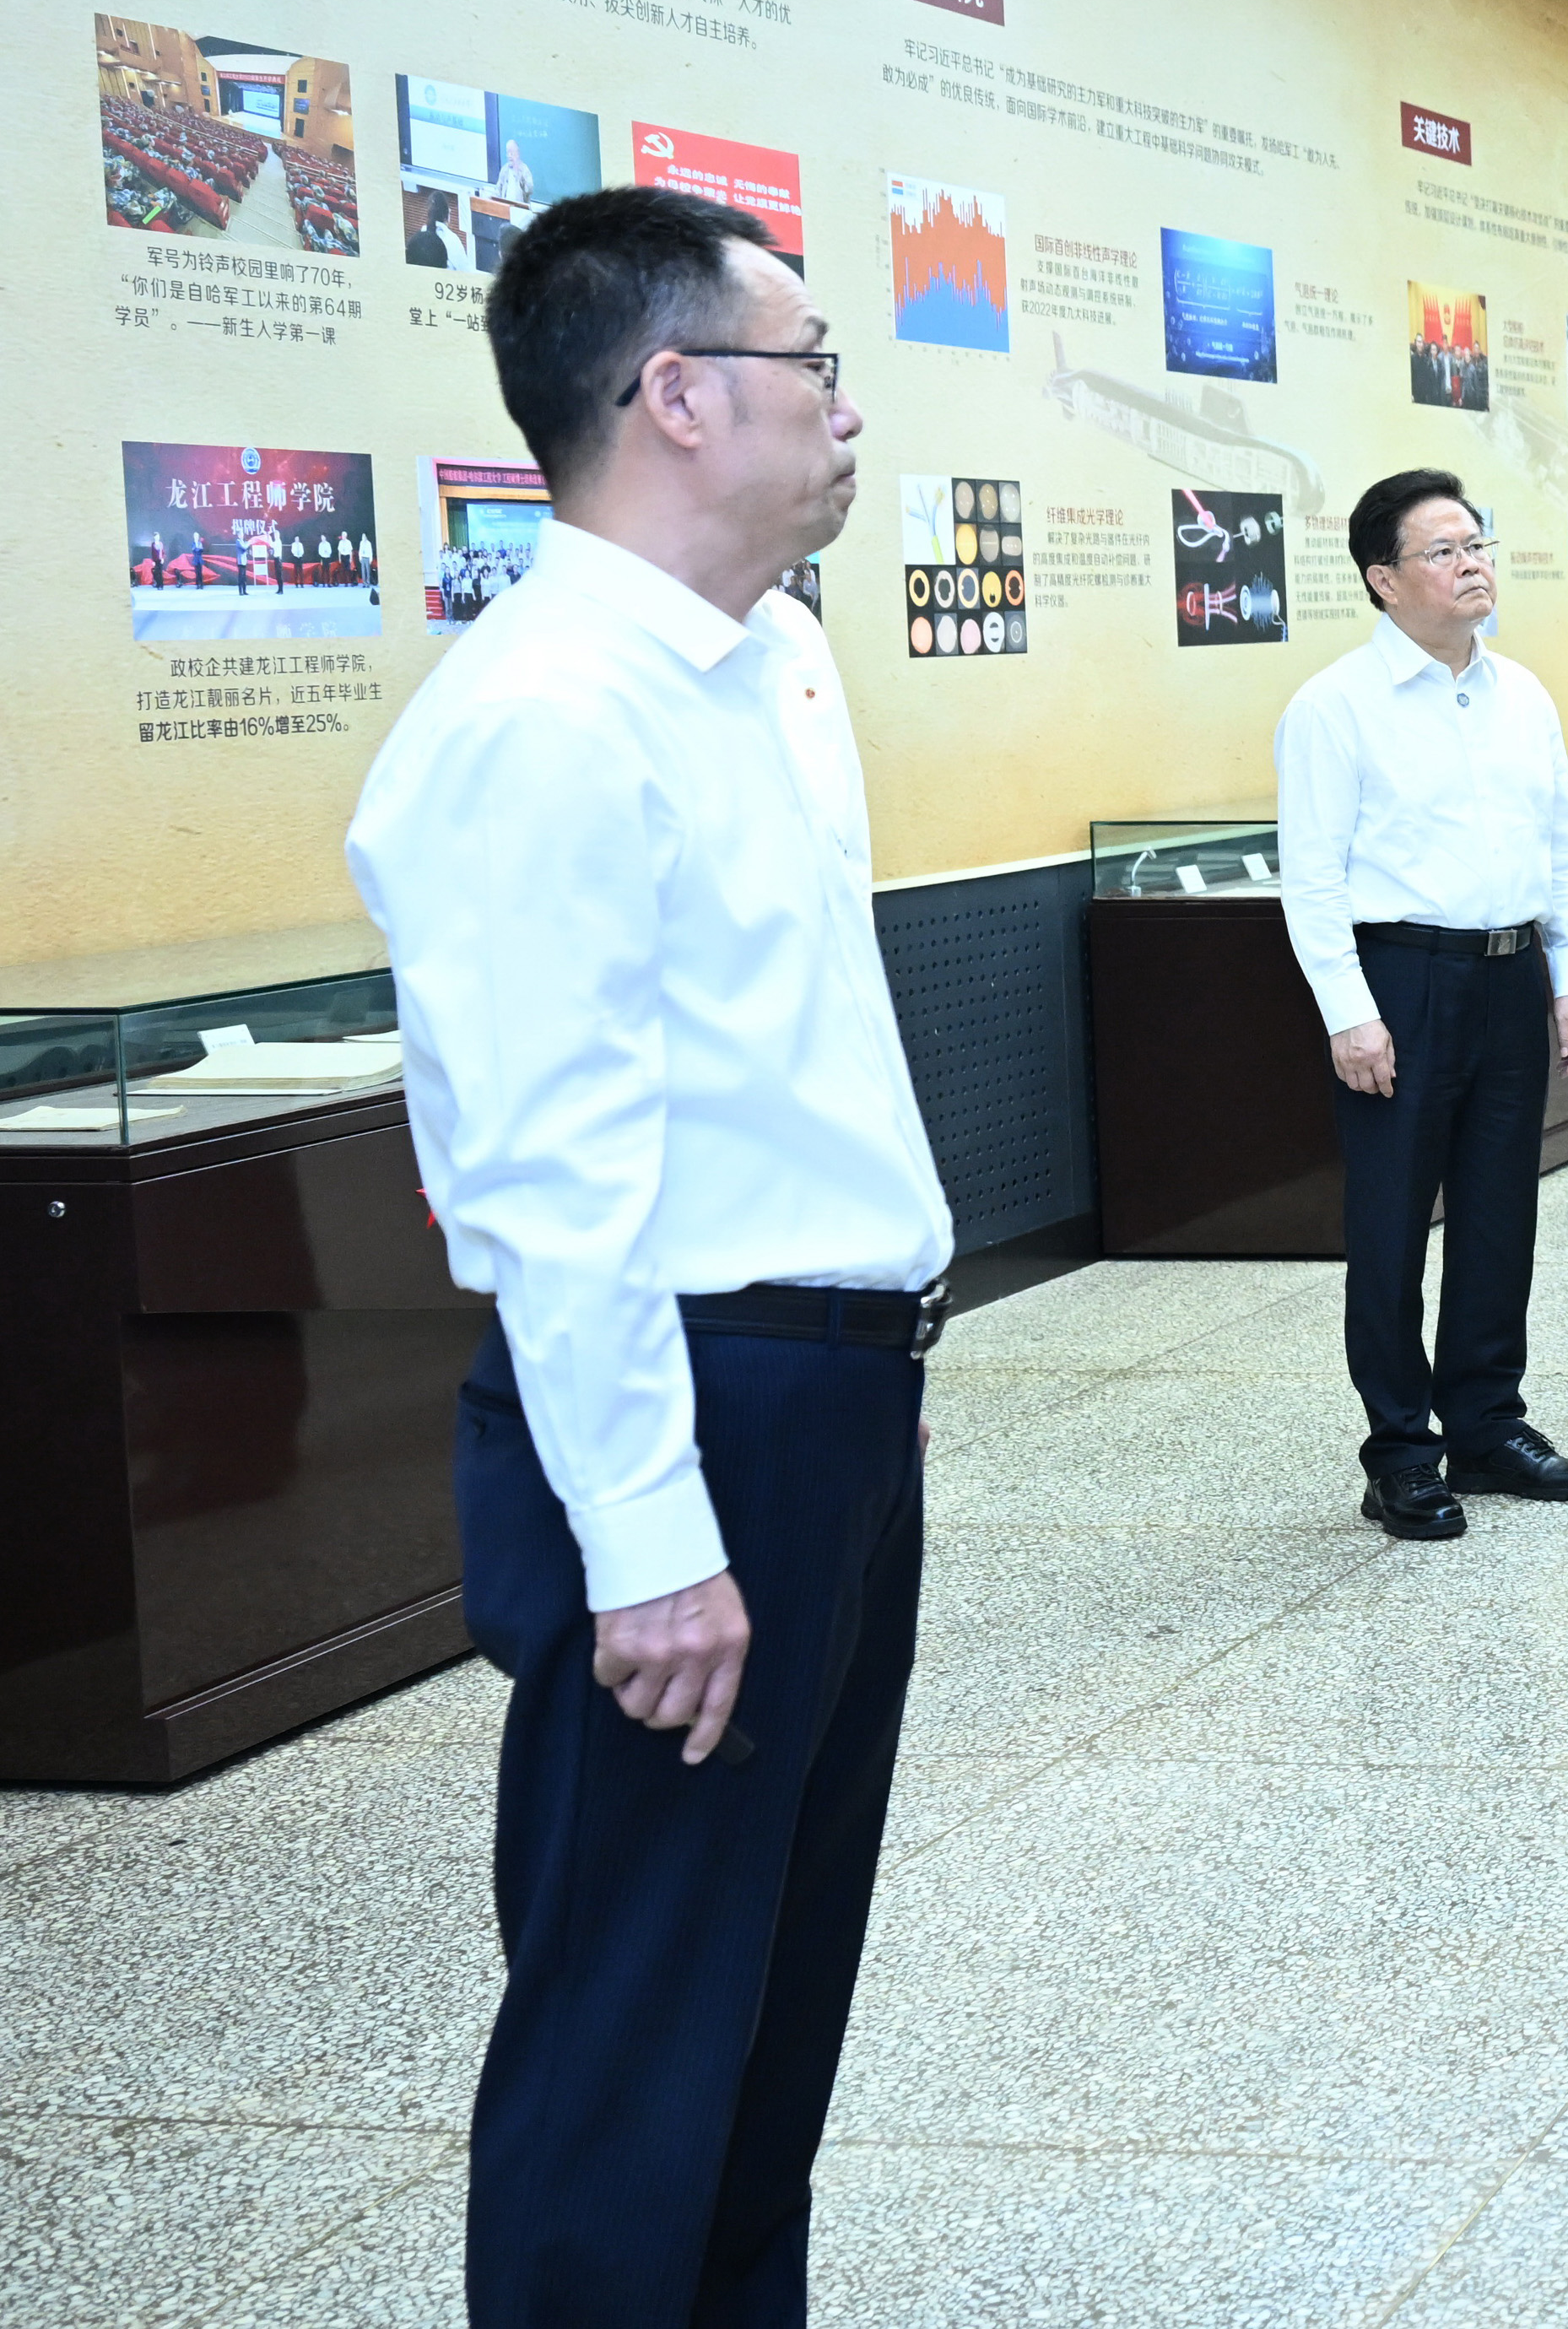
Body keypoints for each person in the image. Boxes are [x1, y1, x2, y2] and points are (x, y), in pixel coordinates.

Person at [344, 181, 953, 2325]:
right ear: (676, 396)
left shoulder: (764, 660)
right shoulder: (545, 715)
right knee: (638, 2023)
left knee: (767, 2008)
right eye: (816, 367)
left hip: (821, 1388)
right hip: (685, 1410)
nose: (845, 409)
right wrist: (649, 1534)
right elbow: (548, 1178)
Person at [1277, 467, 1568, 1542]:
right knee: (1389, 1225)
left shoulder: (1523, 693)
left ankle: (1487, 1426)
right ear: (1383, 578)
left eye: (1477, 545)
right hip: (1400, 982)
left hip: (1510, 974)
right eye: (1445, 550)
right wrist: (1348, 1011)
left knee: (1500, 1213)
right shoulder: (1334, 706)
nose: (1473, 566)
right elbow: (1311, 876)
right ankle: (1400, 1452)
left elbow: (1559, 842)